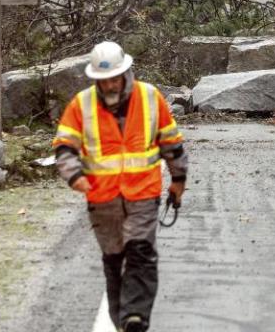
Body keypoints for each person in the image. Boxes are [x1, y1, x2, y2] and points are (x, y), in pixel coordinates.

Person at [52, 41, 188, 332]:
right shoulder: (82, 104)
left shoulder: (150, 97)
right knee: (114, 262)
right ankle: (123, 321)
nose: (110, 84)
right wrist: (74, 175)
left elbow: (171, 143)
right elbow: (64, 146)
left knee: (140, 255)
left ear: (126, 72)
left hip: (143, 195)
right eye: (104, 80)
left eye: (114, 77)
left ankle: (134, 318)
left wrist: (178, 180)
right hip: (102, 200)